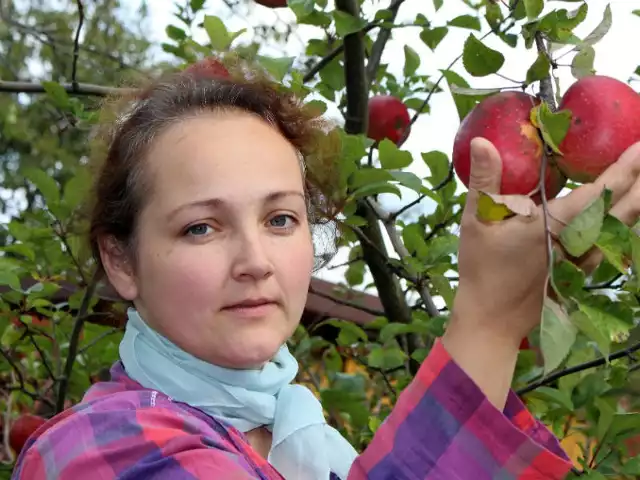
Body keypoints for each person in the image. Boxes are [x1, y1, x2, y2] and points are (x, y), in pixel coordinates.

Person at [10, 59, 640, 480]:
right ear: (121, 260)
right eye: (201, 227)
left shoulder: (299, 438)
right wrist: (489, 322)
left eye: (280, 219)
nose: (255, 262)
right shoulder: (96, 452)